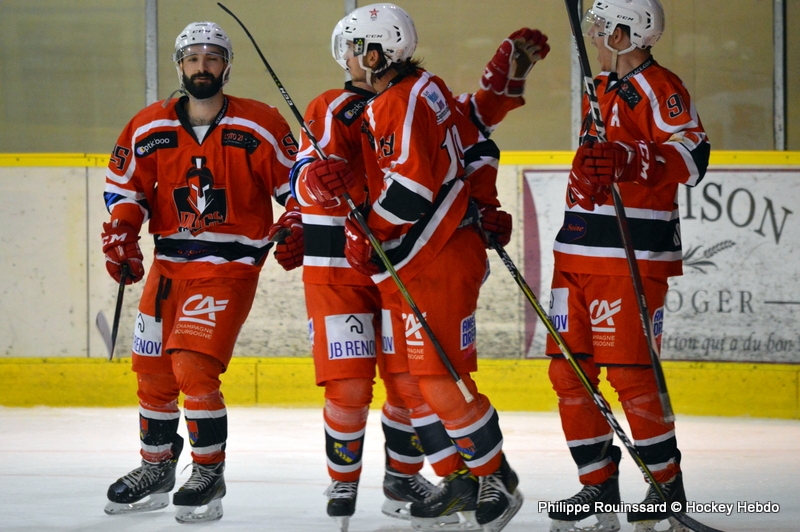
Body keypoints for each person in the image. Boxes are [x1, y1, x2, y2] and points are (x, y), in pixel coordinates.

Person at [268, 9, 548, 530]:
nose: (346, 60)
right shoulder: (392, 95)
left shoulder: (401, 98)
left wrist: (478, 203)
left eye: (353, 49)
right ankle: (458, 478)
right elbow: (305, 175)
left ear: (375, 53)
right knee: (385, 381)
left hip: (413, 252)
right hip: (382, 258)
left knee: (421, 380)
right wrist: (304, 210)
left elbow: (450, 155)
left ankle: (479, 476)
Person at [100, 21, 299, 524]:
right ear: (179, 65)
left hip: (227, 270)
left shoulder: (261, 124)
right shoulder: (148, 127)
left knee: (192, 365)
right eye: (192, 58)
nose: (202, 66)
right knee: (153, 374)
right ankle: (156, 467)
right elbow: (125, 189)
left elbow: (296, 188)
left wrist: (296, 225)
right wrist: (122, 233)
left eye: (212, 58)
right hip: (167, 269)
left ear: (226, 66)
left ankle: (209, 470)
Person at [545, 1, 710, 531]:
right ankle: (597, 487)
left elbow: (693, 157)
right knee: (569, 372)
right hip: (576, 249)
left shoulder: (661, 85)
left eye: (602, 24)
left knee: (631, 375)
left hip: (629, 255)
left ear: (629, 31)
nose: (594, 32)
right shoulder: (601, 87)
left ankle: (666, 486)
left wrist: (631, 159)